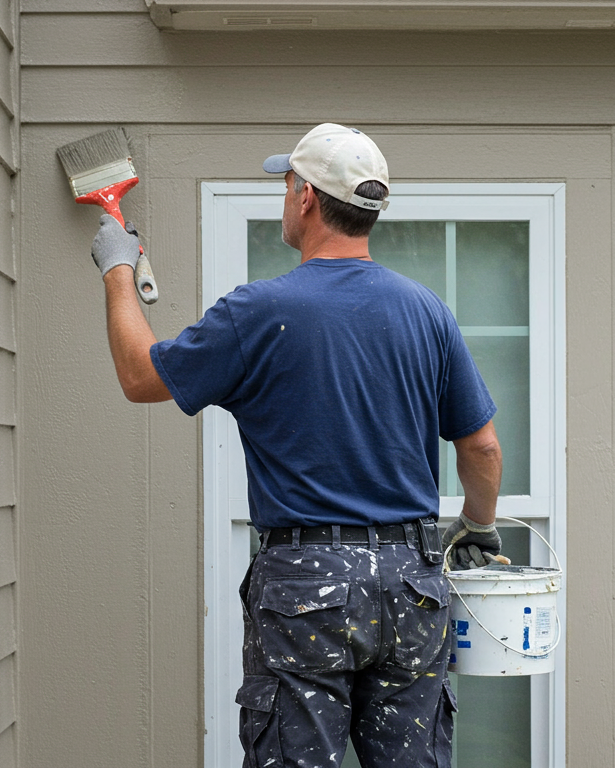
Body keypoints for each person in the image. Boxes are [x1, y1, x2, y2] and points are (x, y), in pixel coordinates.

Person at [88, 123, 505, 768]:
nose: (284, 200)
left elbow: (141, 377)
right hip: (412, 586)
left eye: (286, 187)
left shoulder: (260, 311)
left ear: (306, 197)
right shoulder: (427, 311)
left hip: (305, 587)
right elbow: (480, 447)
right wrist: (478, 527)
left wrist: (118, 268)